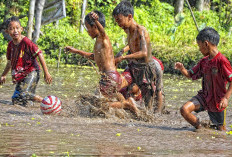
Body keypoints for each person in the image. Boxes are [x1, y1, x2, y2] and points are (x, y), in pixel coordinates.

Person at [65, 11, 139, 115]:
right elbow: (94, 57)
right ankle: (127, 106)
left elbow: (103, 32)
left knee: (97, 105)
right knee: (96, 103)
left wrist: (95, 20)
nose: (87, 31)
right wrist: (75, 51)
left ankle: (127, 104)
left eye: (88, 28)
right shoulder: (98, 43)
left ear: (95, 26)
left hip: (109, 78)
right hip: (109, 77)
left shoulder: (103, 38)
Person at [175, 27, 232, 131]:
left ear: (206, 44)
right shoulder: (204, 61)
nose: (199, 49)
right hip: (204, 97)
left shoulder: (222, 61)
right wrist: (182, 68)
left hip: (217, 101)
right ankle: (201, 129)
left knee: (221, 133)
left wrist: (226, 98)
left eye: (199, 46)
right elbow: (190, 74)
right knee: (184, 110)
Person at [113, 1, 164, 113]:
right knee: (124, 86)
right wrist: (122, 51)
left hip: (148, 67)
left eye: (119, 20)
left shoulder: (141, 30)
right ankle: (134, 109)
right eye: (116, 21)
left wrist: (123, 58)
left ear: (129, 16)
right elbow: (132, 44)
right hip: (135, 65)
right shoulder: (128, 30)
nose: (118, 24)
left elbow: (144, 52)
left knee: (156, 92)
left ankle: (158, 116)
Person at [0, 16, 52, 106]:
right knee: (16, 99)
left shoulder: (26, 42)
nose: (15, 31)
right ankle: (33, 106)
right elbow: (9, 62)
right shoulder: (10, 45)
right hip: (21, 74)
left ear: (21, 29)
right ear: (7, 32)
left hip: (32, 71)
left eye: (17, 28)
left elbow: (39, 54)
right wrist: (3, 75)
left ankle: (47, 102)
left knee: (24, 94)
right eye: (11, 29)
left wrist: (46, 73)